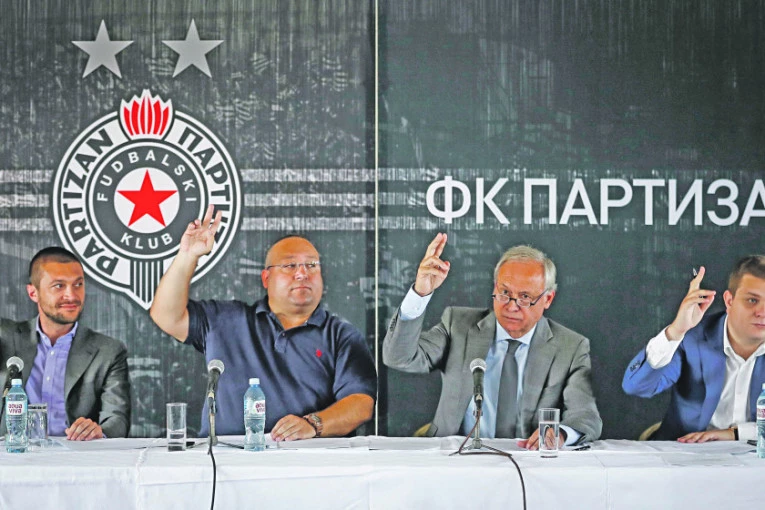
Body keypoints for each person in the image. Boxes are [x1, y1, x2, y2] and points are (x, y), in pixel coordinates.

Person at [149, 205, 376, 440]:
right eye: (290, 265)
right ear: (266, 278)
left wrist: (313, 424)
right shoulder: (224, 320)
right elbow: (166, 316)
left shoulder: (340, 335)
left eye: (311, 265)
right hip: (225, 455)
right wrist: (188, 256)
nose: (302, 274)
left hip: (305, 456)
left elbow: (361, 403)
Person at [383, 233, 602, 449]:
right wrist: (420, 293)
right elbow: (399, 357)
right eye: (504, 292)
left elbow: (586, 415)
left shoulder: (570, 347)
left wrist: (560, 433)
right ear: (494, 287)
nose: (512, 306)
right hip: (456, 459)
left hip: (529, 461)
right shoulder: (458, 326)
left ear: (548, 299)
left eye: (525, 297)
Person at [623, 256, 765, 442]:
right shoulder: (691, 338)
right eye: (752, 300)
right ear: (729, 301)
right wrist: (676, 331)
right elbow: (637, 387)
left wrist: (735, 433)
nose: (762, 312)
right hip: (685, 452)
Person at [0, 247, 131, 440]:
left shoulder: (108, 351)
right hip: (12, 453)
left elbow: (117, 419)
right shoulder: (5, 335)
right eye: (59, 286)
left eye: (78, 284)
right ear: (33, 293)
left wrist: (99, 432)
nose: (72, 295)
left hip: (75, 455)